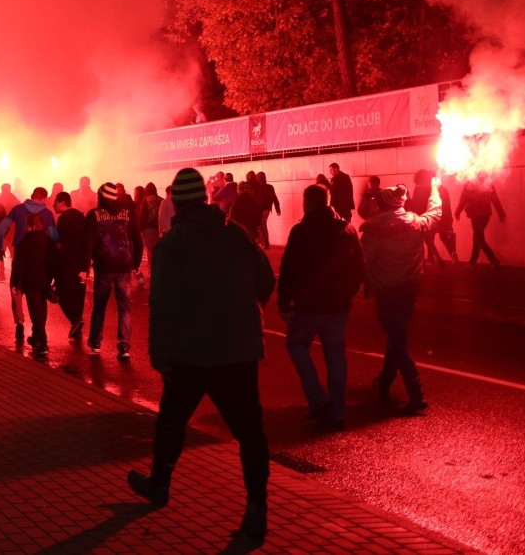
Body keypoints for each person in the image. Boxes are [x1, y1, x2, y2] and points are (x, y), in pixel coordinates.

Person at [127, 168, 275, 545]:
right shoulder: (236, 235)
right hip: (238, 352)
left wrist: (161, 357)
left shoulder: (171, 246)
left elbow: (161, 307)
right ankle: (257, 509)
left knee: (172, 422)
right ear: (205, 199)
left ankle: (160, 483)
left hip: (191, 354)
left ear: (176, 201)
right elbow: (266, 280)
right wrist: (244, 313)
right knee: (250, 433)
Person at [278, 184, 364, 429]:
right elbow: (358, 265)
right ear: (328, 201)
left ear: (307, 203)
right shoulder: (346, 229)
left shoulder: (301, 231)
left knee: (296, 346)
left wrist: (285, 301)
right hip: (337, 305)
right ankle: (336, 409)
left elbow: (288, 269)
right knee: (335, 354)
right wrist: (350, 292)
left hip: (308, 305)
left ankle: (317, 400)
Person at [360, 180, 441, 415]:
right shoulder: (416, 223)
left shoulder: (373, 230)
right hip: (410, 289)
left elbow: (365, 260)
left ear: (383, 205)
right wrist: (434, 187)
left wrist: (361, 284)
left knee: (398, 340)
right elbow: (435, 212)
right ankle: (385, 381)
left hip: (386, 291)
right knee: (397, 336)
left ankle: (416, 393)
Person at [82, 182, 143, 360]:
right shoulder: (127, 213)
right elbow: (137, 240)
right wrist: (136, 262)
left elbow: (88, 243)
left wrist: (84, 267)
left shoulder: (94, 215)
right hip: (124, 265)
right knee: (124, 307)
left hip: (104, 266)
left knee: (100, 305)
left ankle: (95, 342)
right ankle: (124, 346)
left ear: (101, 197)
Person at [0, 187, 58, 343]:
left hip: (20, 255)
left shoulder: (17, 209)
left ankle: (20, 323)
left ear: (32, 196)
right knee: (38, 297)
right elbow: (54, 236)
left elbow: (1, 227)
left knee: (16, 291)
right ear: (43, 198)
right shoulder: (48, 214)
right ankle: (39, 331)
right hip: (40, 259)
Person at [11, 213, 59, 359]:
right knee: (41, 311)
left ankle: (42, 344)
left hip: (30, 281)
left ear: (31, 226)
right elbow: (53, 262)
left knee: (36, 314)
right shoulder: (48, 241)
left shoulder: (24, 242)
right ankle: (36, 338)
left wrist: (15, 282)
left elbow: (18, 264)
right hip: (44, 281)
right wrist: (54, 279)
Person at [53, 191, 88, 339]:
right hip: (81, 262)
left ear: (62, 202)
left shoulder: (63, 219)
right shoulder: (81, 217)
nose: (53, 205)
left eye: (56, 202)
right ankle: (77, 328)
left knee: (59, 293)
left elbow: (60, 242)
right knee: (78, 294)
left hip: (66, 263)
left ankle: (75, 321)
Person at [455, 172, 505, 269]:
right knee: (477, 237)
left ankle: (493, 260)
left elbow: (463, 199)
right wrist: (501, 214)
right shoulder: (487, 183)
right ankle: (472, 262)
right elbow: (495, 199)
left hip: (476, 215)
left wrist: (458, 212)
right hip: (485, 215)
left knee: (479, 238)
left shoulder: (470, 184)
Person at [407, 169, 455, 267]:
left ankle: (434, 258)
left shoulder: (420, 189)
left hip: (428, 218)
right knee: (444, 238)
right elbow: (447, 205)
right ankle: (452, 254)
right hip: (442, 217)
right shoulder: (442, 189)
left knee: (428, 238)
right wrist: (449, 219)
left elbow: (417, 205)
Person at [136, 182, 163, 274]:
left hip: (147, 229)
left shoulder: (145, 200)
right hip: (158, 229)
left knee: (150, 251)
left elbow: (142, 216)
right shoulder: (161, 200)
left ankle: (153, 271)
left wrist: (140, 229)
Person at [256, 172, 281, 249]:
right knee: (263, 225)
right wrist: (277, 209)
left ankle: (263, 242)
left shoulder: (258, 187)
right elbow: (275, 198)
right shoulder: (270, 187)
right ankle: (265, 243)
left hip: (260, 209)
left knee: (261, 226)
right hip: (267, 209)